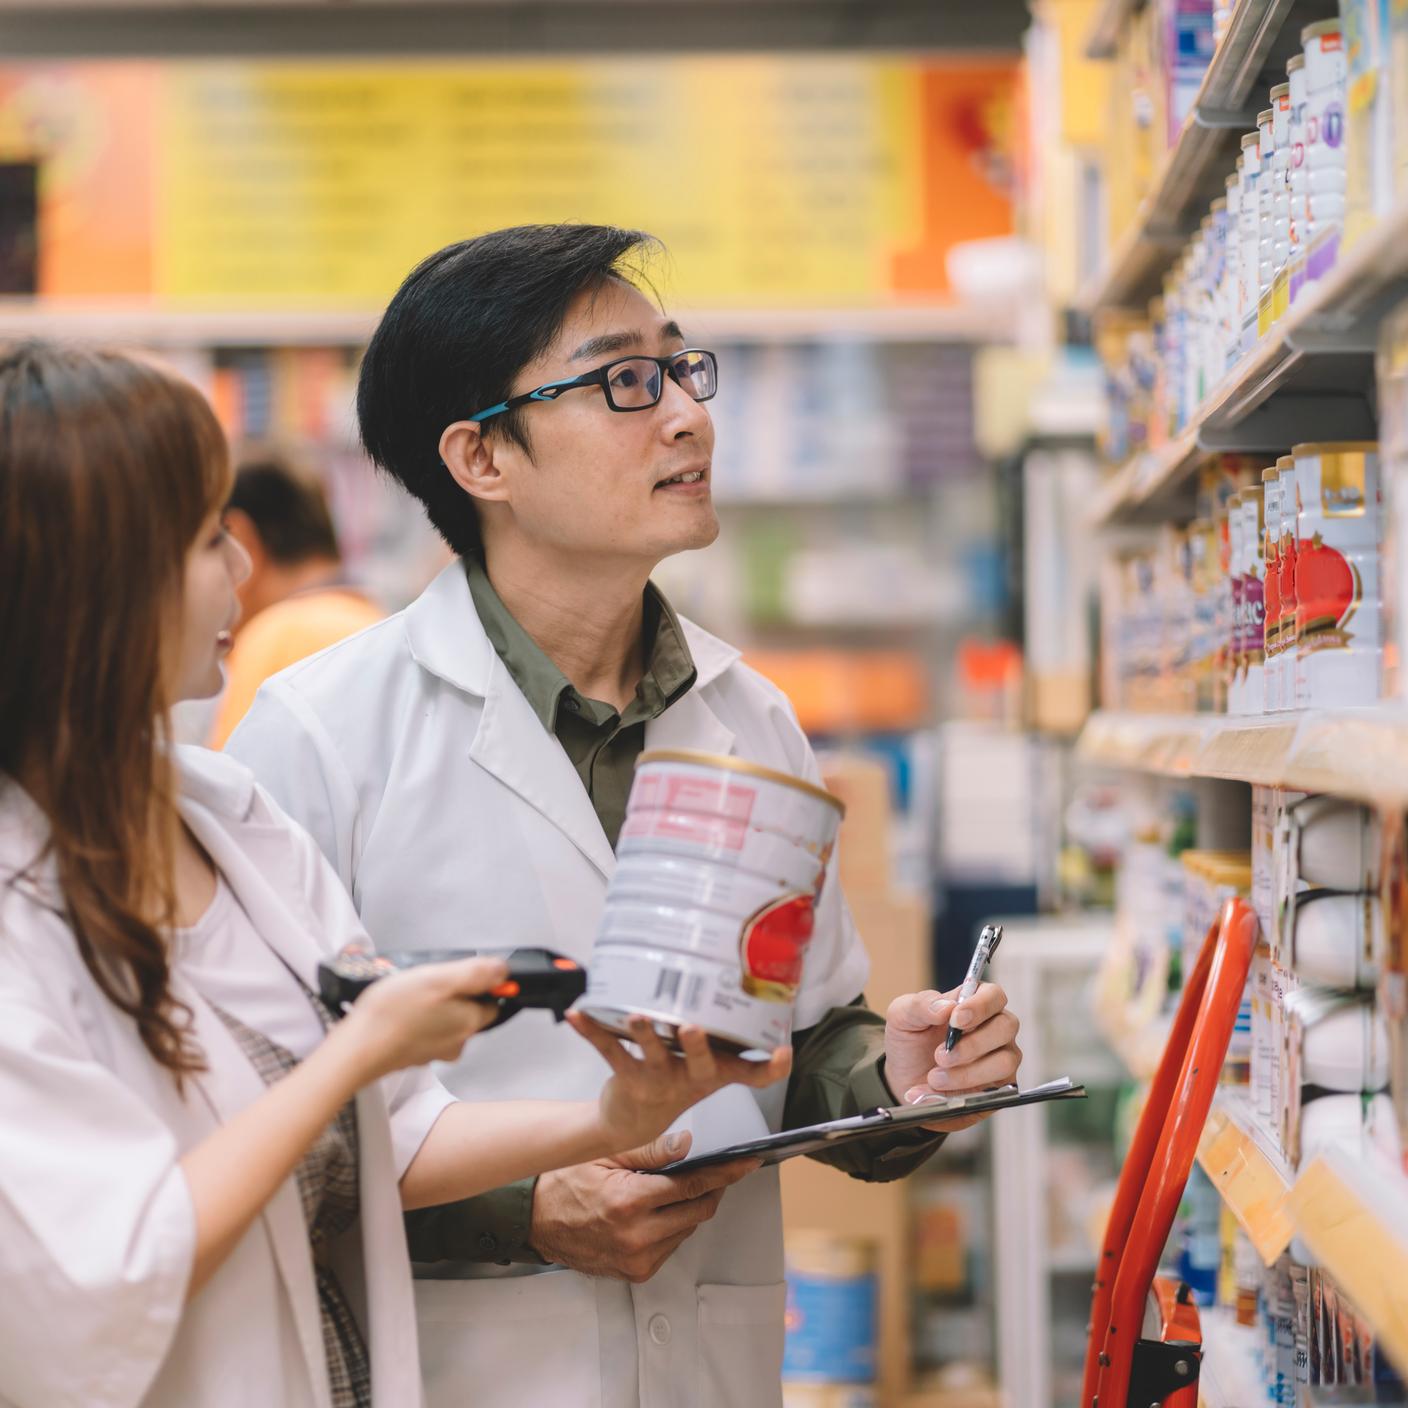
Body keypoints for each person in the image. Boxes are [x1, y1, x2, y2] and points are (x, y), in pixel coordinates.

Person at [227, 224, 1024, 1408]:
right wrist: (524, 1209)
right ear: (481, 457)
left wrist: (895, 1084)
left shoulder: (748, 714)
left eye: (680, 368)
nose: (688, 417)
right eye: (622, 383)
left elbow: (809, 1032)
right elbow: (250, 1131)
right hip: (468, 1372)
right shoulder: (318, 736)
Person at [0, 341, 789, 1408]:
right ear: (83, 585)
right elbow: (98, 1274)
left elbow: (402, 1136)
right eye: (202, 538)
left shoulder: (232, 822)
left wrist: (617, 1116)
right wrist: (357, 1053)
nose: (241, 571)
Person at [209, 455, 383, 748]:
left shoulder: (279, 638)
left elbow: (233, 773)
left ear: (242, 542)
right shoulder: (376, 623)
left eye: (207, 543)